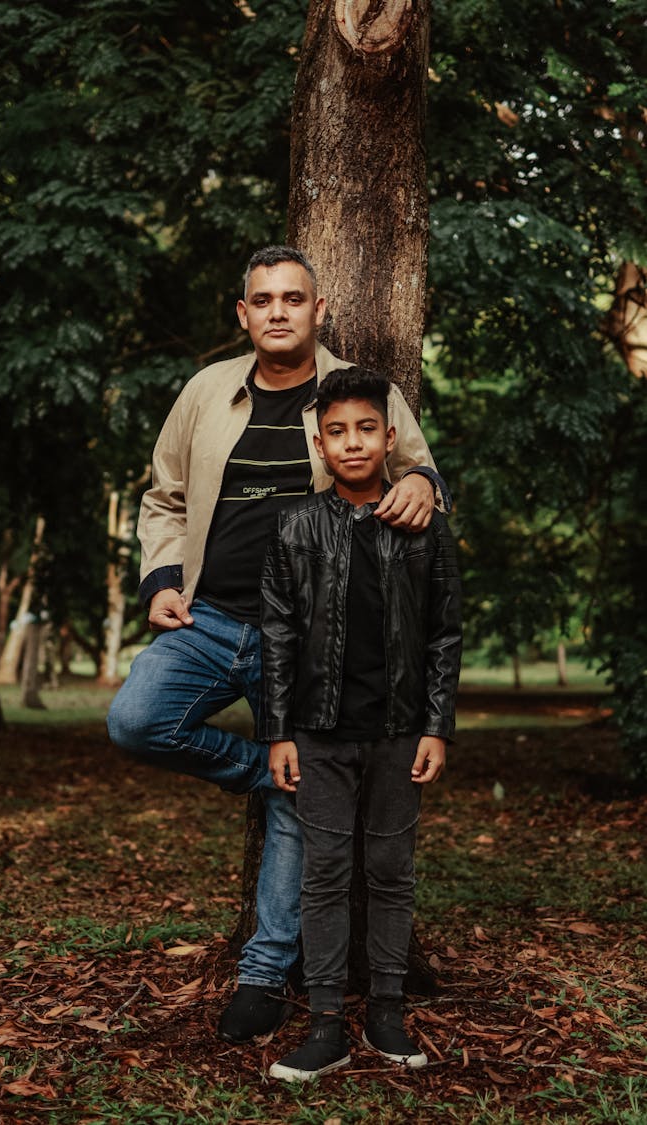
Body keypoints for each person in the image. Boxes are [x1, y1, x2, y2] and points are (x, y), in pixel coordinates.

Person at [106, 246, 450, 1044]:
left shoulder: (358, 389)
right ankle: (258, 768)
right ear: (243, 313)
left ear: (318, 308)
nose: (278, 311)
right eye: (262, 299)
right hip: (210, 618)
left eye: (294, 297)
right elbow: (163, 493)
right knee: (135, 718)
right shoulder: (204, 393)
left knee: (302, 807)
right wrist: (161, 577)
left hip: (313, 642)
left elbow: (419, 471)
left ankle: (262, 977)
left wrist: (424, 483)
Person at [260, 366, 462, 1081]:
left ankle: (384, 1008)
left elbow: (444, 633)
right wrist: (279, 730)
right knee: (324, 874)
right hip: (318, 733)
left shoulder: (425, 528)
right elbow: (278, 633)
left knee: (389, 871)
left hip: (400, 731)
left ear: (389, 436)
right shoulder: (294, 525)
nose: (352, 443)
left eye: (366, 428)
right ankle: (323, 1023)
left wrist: (437, 725)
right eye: (337, 431)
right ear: (319, 442)